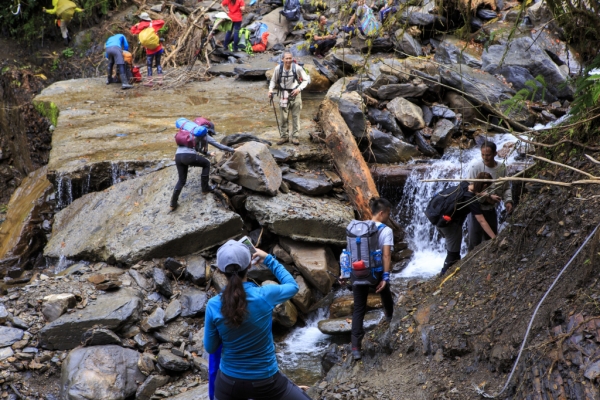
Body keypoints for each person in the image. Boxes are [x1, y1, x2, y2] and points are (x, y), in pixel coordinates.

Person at [204, 240, 311, 400]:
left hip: (228, 385)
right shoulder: (265, 295)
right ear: (249, 265)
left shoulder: (213, 305)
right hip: (266, 382)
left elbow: (210, 347)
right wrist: (268, 258)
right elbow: (293, 286)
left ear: (220, 270)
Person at [347, 198, 395, 361]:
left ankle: (355, 348)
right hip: (374, 274)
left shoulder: (358, 227)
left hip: (356, 272)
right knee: (385, 290)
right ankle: (389, 317)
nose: (389, 216)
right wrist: (385, 277)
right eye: (388, 213)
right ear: (382, 213)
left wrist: (345, 274)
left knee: (359, 308)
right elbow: (386, 255)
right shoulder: (386, 230)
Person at [437, 172, 497, 276]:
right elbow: (482, 221)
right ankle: (442, 276)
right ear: (485, 186)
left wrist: (488, 195)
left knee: (453, 252)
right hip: (450, 226)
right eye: (487, 188)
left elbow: (476, 191)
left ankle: (451, 274)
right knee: (453, 254)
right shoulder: (471, 200)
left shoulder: (464, 185)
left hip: (439, 219)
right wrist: (494, 238)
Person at [170, 118, 235, 210]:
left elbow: (197, 148)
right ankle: (205, 188)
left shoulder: (189, 132)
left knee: (181, 180)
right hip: (189, 157)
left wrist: (208, 153)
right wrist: (233, 150)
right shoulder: (203, 134)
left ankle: (173, 203)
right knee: (206, 164)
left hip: (178, 157)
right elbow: (218, 145)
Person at [467, 141, 513, 251]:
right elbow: (468, 189)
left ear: (495, 154)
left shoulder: (501, 168)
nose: (485, 157)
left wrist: (508, 200)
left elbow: (506, 187)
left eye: (488, 155)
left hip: (491, 209)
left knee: (490, 240)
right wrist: (487, 196)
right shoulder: (475, 168)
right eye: (482, 154)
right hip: (476, 209)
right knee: (474, 242)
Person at [268, 52, 310, 146]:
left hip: (296, 93)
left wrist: (299, 89)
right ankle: (284, 136)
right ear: (282, 59)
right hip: (283, 93)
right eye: (286, 58)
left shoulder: (297, 68)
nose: (288, 60)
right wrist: (270, 90)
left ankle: (295, 137)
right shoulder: (278, 69)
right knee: (283, 117)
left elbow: (306, 79)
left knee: (296, 116)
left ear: (292, 59)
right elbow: (273, 80)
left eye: (290, 58)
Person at [130, 12, 165, 87]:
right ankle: (160, 80)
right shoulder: (152, 24)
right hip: (158, 48)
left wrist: (135, 25)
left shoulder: (139, 27)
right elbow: (162, 22)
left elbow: (132, 31)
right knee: (158, 64)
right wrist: (152, 22)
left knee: (149, 66)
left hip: (149, 50)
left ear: (140, 19)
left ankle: (150, 82)